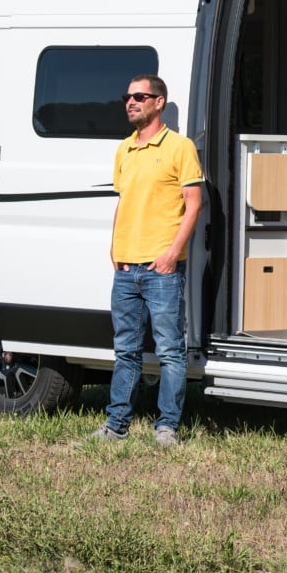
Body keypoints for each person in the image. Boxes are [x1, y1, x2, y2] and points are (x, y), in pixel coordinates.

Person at [92, 75, 203, 447]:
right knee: (125, 350)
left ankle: (166, 427)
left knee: (170, 350)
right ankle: (116, 426)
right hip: (126, 267)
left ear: (159, 102)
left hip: (161, 270)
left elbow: (194, 205)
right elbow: (123, 201)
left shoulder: (179, 147)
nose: (131, 102)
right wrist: (114, 247)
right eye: (128, 96)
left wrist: (172, 254)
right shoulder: (123, 150)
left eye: (140, 96)